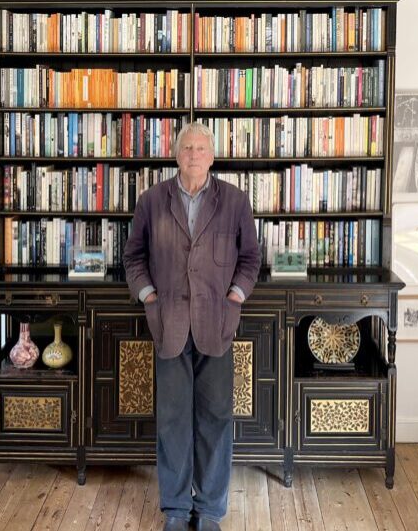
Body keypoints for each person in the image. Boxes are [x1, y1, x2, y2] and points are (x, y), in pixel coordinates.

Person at [123, 122, 260, 531]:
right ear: (176, 153)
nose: (194, 155)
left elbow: (250, 259)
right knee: (173, 421)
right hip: (168, 324)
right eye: (187, 148)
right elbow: (134, 257)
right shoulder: (152, 200)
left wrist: (234, 296)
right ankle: (177, 510)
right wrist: (149, 296)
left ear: (212, 156)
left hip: (217, 325)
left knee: (216, 420)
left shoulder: (235, 201)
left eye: (201, 148)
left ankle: (211, 511)